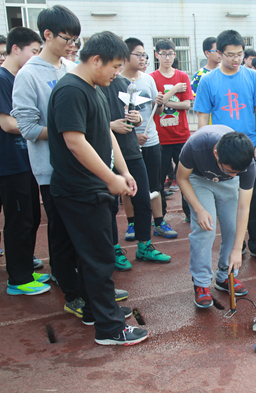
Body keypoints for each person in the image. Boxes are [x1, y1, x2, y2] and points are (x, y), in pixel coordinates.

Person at [47, 31, 148, 345]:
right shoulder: (70, 90)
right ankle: (110, 329)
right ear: (95, 60)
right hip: (80, 190)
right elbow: (75, 142)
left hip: (94, 187)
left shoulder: (94, 87)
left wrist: (124, 171)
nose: (117, 73)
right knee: (99, 258)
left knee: (92, 256)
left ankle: (96, 311)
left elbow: (105, 134)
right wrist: (110, 178)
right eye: (115, 66)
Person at [12, 5, 83, 306]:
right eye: (67, 38)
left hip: (79, 166)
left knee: (82, 231)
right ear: (47, 35)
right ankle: (71, 292)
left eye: (75, 39)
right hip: (51, 169)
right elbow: (26, 127)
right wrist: (65, 132)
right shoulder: (28, 75)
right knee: (62, 231)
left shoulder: (70, 69)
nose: (71, 45)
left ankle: (87, 284)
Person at [194, 29, 256, 259]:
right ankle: (237, 246)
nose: (236, 59)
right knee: (230, 203)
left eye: (240, 54)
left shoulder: (254, 76)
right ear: (218, 53)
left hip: (251, 146)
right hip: (224, 152)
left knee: (254, 201)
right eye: (230, 55)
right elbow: (202, 120)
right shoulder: (208, 81)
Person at [177, 127, 255, 308]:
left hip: (227, 186)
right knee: (205, 229)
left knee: (233, 227)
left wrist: (237, 249)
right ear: (216, 154)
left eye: (238, 172)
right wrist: (199, 209)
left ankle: (225, 276)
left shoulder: (245, 164)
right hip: (198, 179)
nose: (235, 175)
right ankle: (201, 283)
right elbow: (181, 178)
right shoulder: (196, 146)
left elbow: (244, 208)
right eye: (229, 170)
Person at [101, 71, 172, 269]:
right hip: (106, 154)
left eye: (118, 64)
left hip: (132, 151)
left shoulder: (125, 83)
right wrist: (110, 126)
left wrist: (137, 119)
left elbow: (139, 116)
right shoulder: (93, 84)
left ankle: (144, 246)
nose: (115, 70)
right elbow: (86, 121)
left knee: (143, 199)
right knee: (110, 205)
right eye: (113, 64)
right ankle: (113, 248)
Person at [0, 27, 46, 295]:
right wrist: (40, 128)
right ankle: (18, 279)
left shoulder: (17, 78)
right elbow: (7, 123)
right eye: (34, 51)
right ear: (16, 49)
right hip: (10, 164)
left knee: (30, 217)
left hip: (24, 161)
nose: (36, 57)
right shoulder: (3, 79)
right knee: (19, 219)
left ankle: (25, 269)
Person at [121, 37, 178, 246]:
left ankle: (159, 222)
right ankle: (132, 223)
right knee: (129, 186)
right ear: (126, 56)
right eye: (139, 54)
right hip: (128, 145)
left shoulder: (148, 80)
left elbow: (158, 111)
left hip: (152, 140)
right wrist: (133, 137)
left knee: (155, 184)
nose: (144, 59)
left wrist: (160, 103)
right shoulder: (117, 80)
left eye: (145, 55)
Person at [150, 39, 193, 224]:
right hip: (160, 138)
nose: (167, 57)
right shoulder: (151, 78)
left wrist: (165, 101)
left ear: (175, 55)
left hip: (181, 135)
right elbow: (154, 106)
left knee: (186, 177)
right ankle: (160, 216)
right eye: (163, 53)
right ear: (157, 55)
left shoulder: (182, 76)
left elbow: (186, 104)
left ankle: (189, 213)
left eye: (170, 53)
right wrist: (173, 92)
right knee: (158, 180)